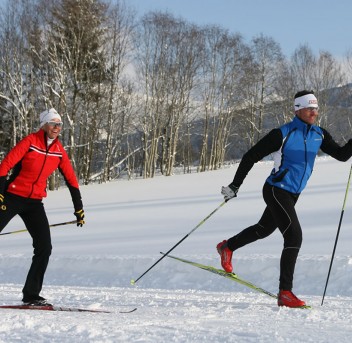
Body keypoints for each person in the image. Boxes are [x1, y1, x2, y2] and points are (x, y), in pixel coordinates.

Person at [217, 90, 352, 308]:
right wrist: (235, 185)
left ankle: (227, 247)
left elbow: (343, 155)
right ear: (298, 109)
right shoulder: (283, 133)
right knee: (294, 236)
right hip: (275, 190)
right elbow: (250, 156)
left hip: (292, 193)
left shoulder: (319, 134)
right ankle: (285, 292)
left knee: (263, 229)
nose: (314, 112)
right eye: (309, 108)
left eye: (316, 108)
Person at [0, 108, 85, 305]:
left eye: (59, 124)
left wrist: (78, 208)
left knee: (44, 247)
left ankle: (31, 294)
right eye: (53, 123)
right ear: (44, 125)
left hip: (34, 203)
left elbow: (72, 180)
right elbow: (5, 166)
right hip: (12, 197)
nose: (57, 127)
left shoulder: (58, 150)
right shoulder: (30, 142)